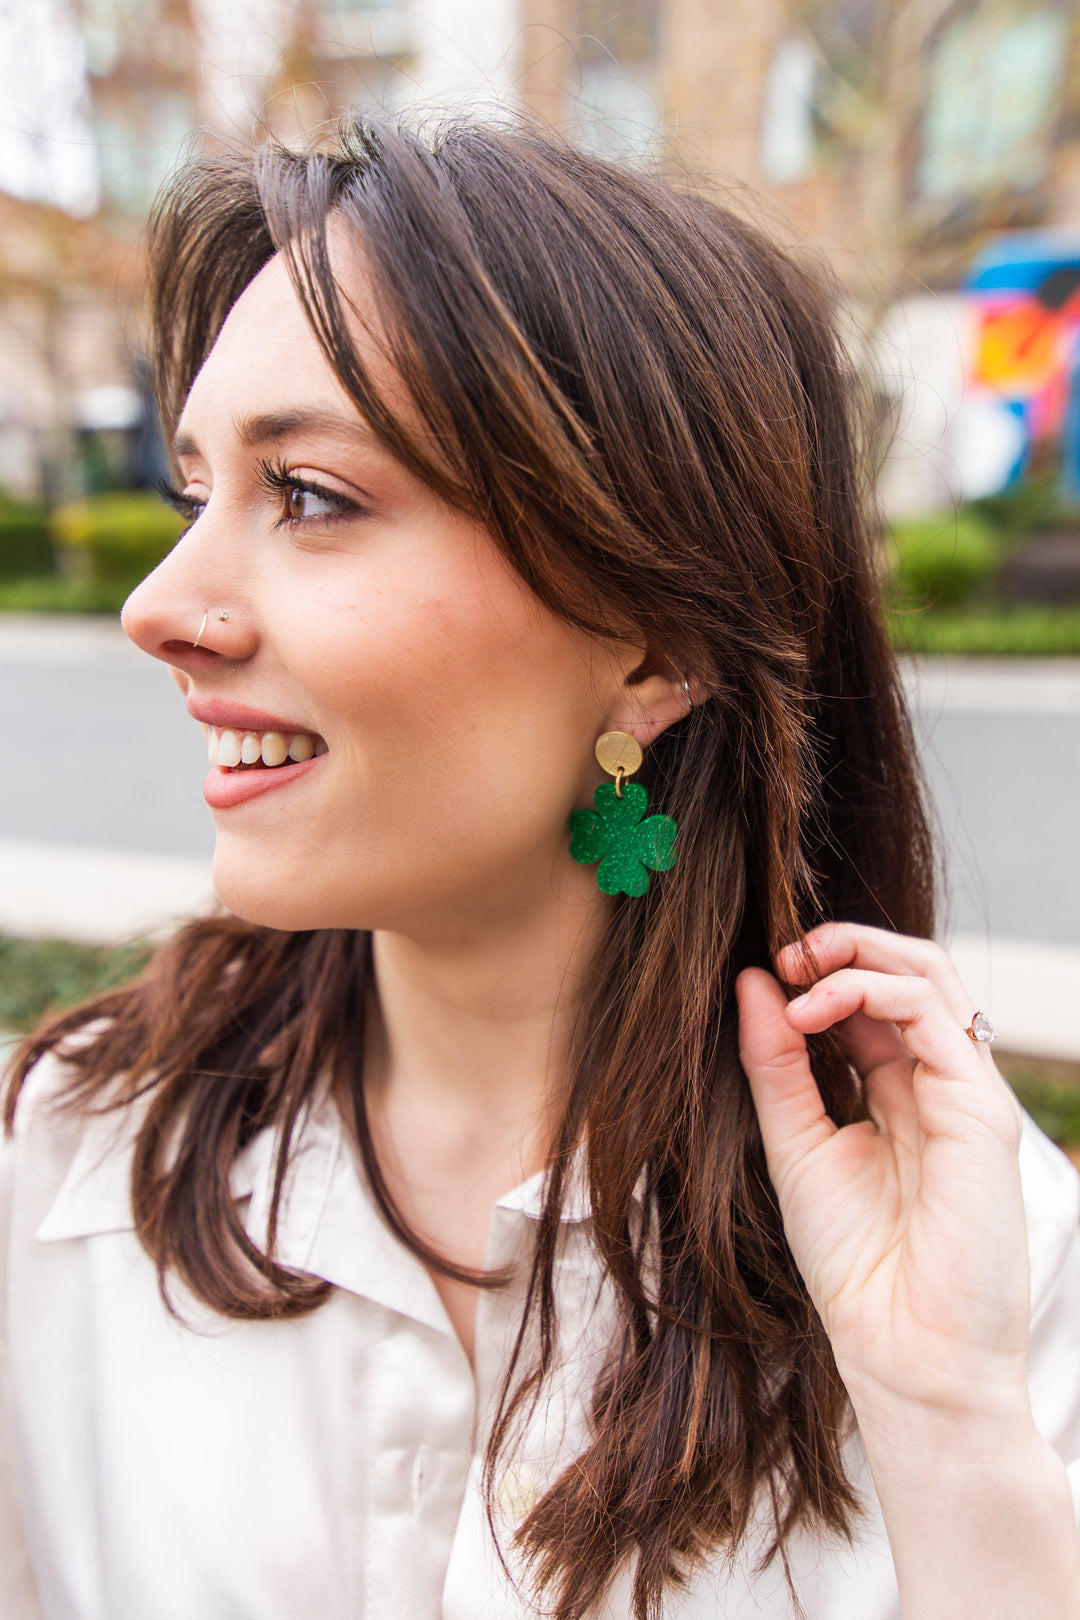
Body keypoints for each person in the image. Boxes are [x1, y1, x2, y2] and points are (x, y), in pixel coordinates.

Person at [1, 116, 1078, 1620]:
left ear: (658, 651)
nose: (159, 607)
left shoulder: (977, 1255)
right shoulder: (68, 1155)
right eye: (198, 495)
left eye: (308, 495)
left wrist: (952, 1427)